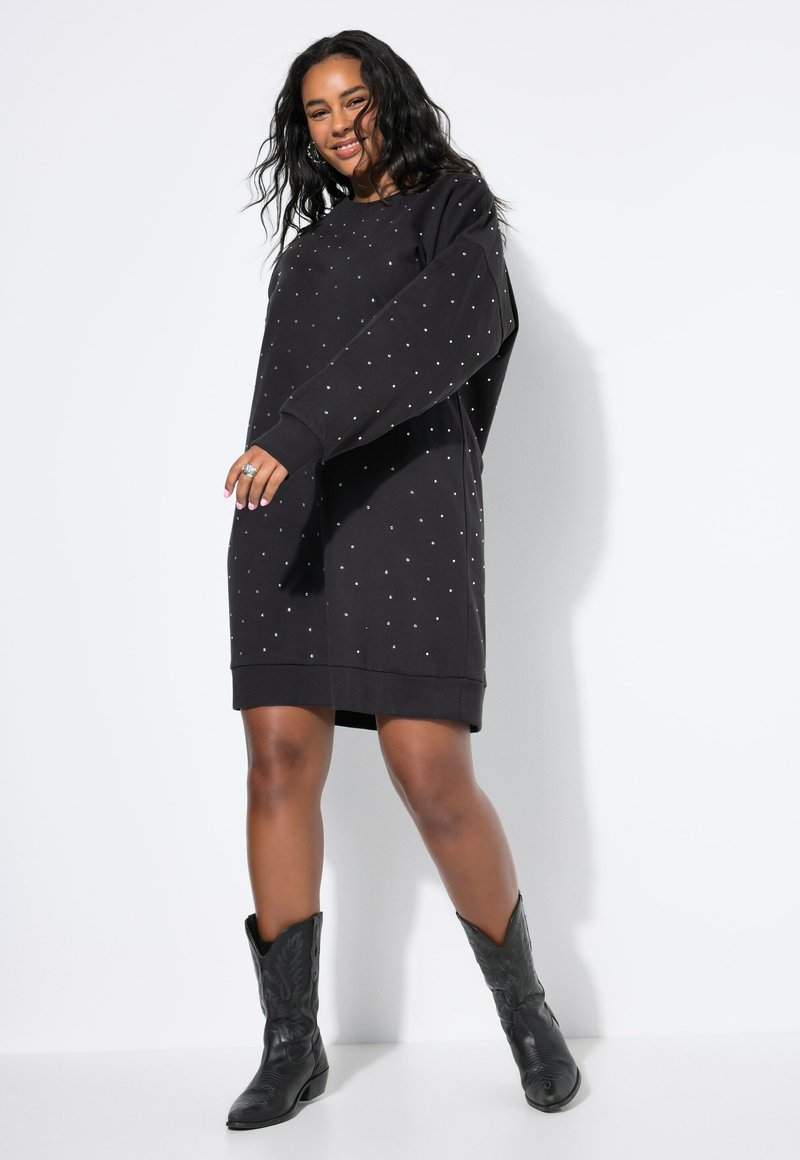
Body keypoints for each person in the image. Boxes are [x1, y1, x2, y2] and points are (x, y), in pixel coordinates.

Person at [222, 30, 581, 1130]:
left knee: (430, 773)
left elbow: (445, 337)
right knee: (278, 763)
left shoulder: (453, 215)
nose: (338, 126)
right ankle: (291, 1044)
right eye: (316, 111)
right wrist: (276, 468)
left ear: (390, 98)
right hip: (291, 526)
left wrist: (302, 433)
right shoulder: (304, 254)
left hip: (411, 518)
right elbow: (278, 397)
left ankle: (527, 1014)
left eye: (353, 101)